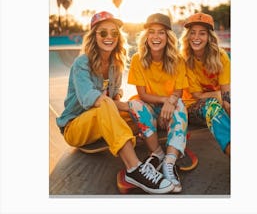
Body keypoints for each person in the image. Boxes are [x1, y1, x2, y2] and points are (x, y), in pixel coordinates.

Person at [56, 11, 174, 194]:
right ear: (94, 36)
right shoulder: (82, 63)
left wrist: (136, 109)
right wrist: (129, 106)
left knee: (139, 109)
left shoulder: (115, 65)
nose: (109, 37)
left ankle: (160, 149)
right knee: (110, 104)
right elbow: (92, 99)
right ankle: (134, 169)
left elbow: (116, 100)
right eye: (103, 33)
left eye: (114, 33)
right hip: (77, 127)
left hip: (104, 121)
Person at [127, 13, 189, 193]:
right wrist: (165, 100)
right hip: (151, 110)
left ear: (167, 36)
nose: (156, 37)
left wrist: (171, 102)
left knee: (179, 104)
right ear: (146, 36)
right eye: (151, 32)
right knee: (134, 104)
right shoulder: (138, 59)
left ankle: (169, 163)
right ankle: (157, 153)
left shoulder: (177, 60)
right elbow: (143, 94)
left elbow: (178, 90)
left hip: (171, 113)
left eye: (161, 32)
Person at [180, 12, 231, 156]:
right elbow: (197, 95)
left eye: (202, 33)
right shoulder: (185, 60)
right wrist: (219, 95)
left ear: (209, 37)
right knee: (212, 106)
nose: (196, 37)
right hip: (192, 107)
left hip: (218, 101)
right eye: (193, 33)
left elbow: (226, 96)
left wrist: (225, 100)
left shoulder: (221, 57)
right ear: (188, 36)